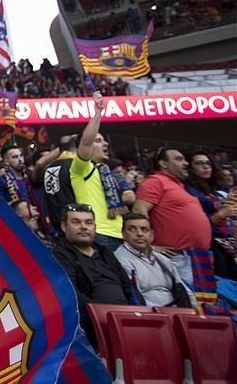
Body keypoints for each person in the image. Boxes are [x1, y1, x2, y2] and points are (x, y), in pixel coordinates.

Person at [132, 148, 211, 303]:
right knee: (191, 306)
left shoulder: (178, 186)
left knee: (206, 308)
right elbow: (139, 211)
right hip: (178, 258)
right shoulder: (156, 181)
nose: (186, 163)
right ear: (163, 164)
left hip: (198, 258)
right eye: (179, 159)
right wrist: (149, 246)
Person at [51, 204, 132, 345]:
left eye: (88, 222)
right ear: (64, 227)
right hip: (91, 323)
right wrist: (99, 313)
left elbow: (127, 287)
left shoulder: (105, 253)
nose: (83, 227)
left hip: (125, 319)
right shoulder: (59, 254)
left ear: (94, 227)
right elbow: (70, 293)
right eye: (76, 222)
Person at [67, 92, 126, 251]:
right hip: (99, 235)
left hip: (120, 235)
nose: (105, 144)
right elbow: (86, 141)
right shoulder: (81, 168)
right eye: (99, 141)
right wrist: (98, 111)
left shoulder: (106, 171)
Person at [113, 213, 192, 308]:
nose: (139, 234)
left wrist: (195, 311)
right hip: (146, 314)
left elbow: (183, 290)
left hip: (174, 311)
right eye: (132, 229)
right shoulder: (120, 259)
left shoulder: (163, 260)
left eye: (144, 229)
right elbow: (133, 297)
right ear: (123, 234)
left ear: (151, 235)